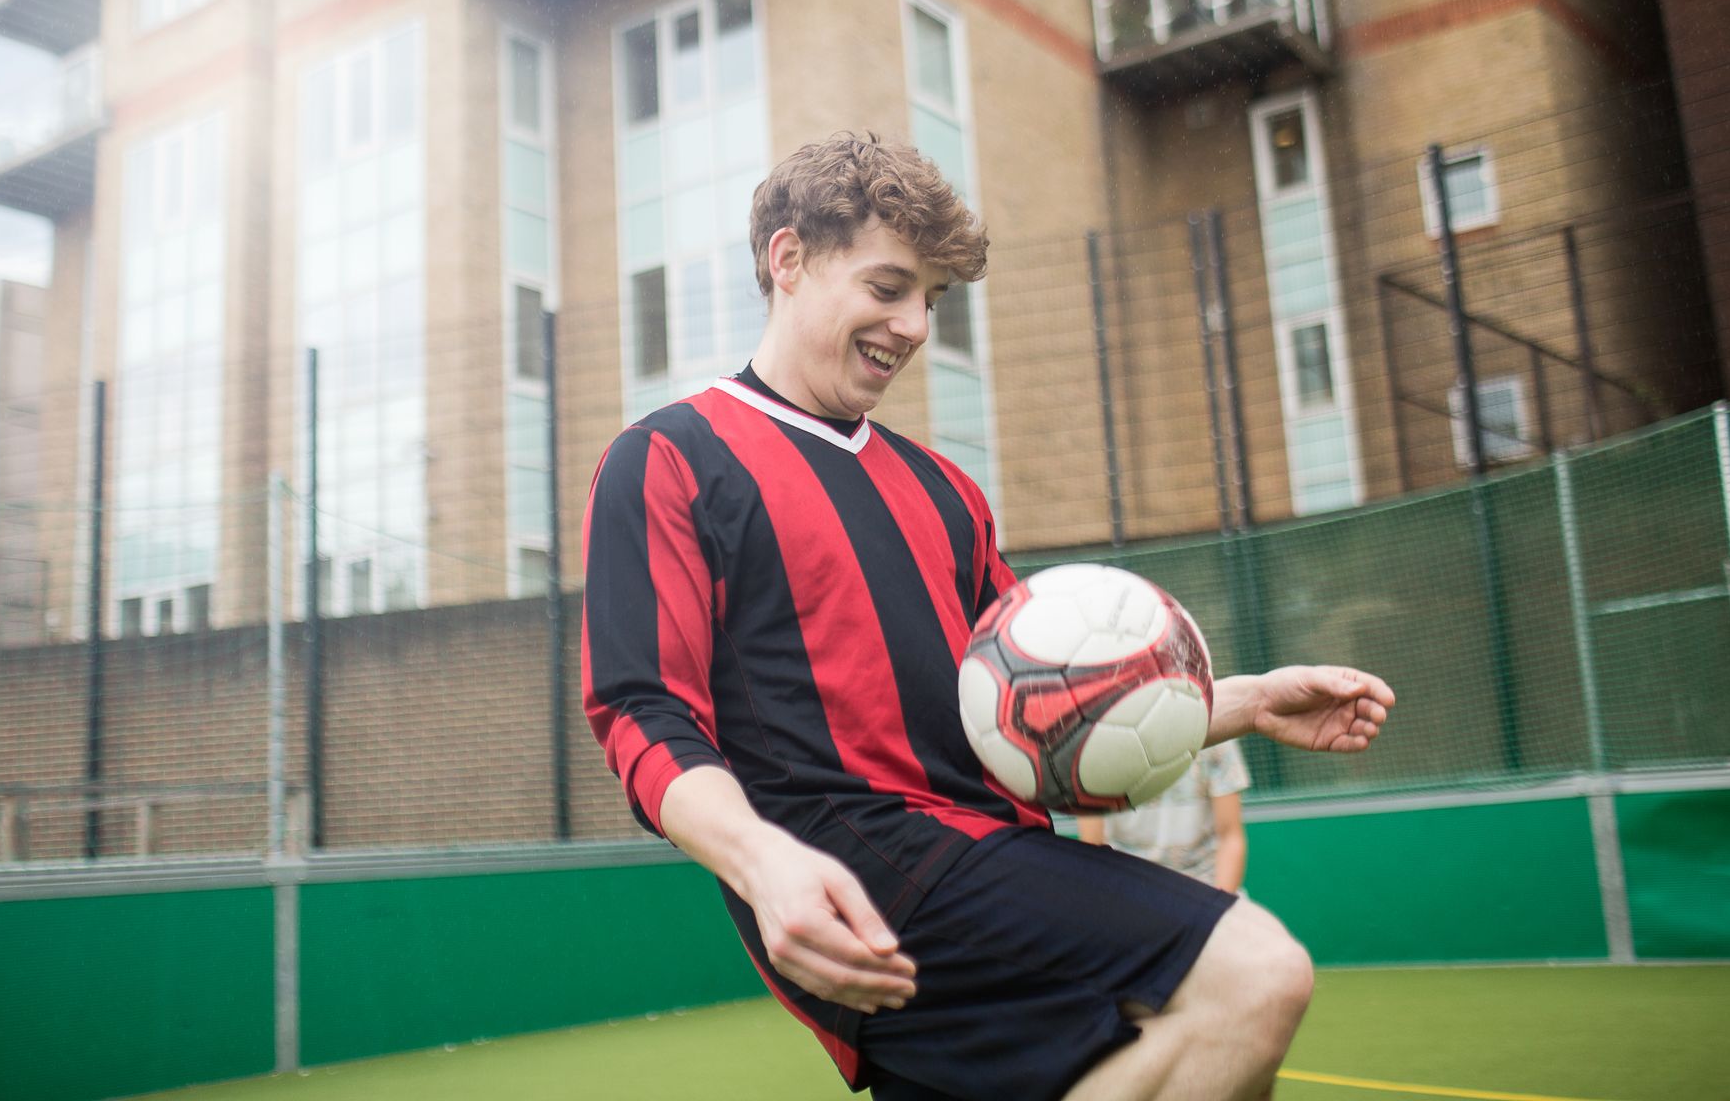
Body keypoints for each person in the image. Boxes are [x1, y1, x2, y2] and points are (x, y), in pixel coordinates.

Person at [581, 132, 1395, 1101]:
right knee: (1253, 971)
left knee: (1163, 1047)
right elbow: (642, 710)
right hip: (855, 864)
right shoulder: (672, 455)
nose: (916, 323)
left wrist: (1250, 699)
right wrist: (765, 865)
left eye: (933, 297)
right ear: (788, 260)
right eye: (889, 287)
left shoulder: (946, 491)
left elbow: (1050, 705)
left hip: (990, 850)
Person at [1077, 738, 1251, 893]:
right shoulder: (1096, 745)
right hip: (1126, 889)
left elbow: (1230, 837)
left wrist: (1216, 908)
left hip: (1203, 887)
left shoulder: (1216, 738)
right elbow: (1092, 847)